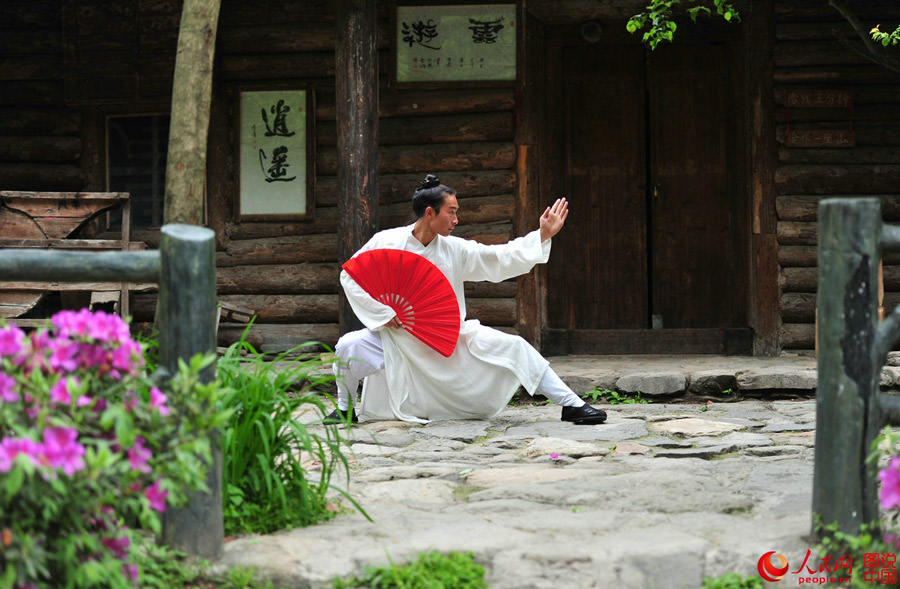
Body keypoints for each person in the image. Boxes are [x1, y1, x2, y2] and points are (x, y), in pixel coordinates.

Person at [324, 174, 606, 426]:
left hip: (446, 338)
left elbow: (498, 257)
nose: (457, 220)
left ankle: (572, 405)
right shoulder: (385, 241)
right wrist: (381, 312)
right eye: (452, 212)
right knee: (349, 345)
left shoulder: (454, 249)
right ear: (430, 213)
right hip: (396, 337)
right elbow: (351, 276)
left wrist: (541, 235)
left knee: (515, 346)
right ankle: (344, 409)